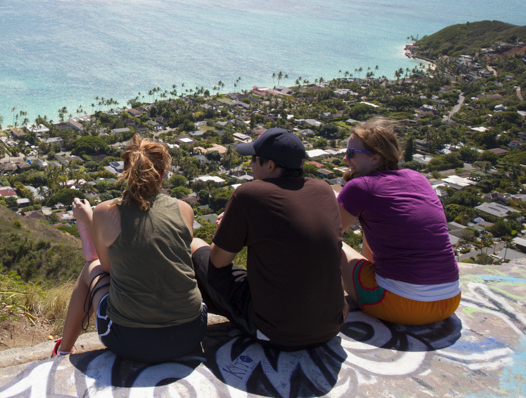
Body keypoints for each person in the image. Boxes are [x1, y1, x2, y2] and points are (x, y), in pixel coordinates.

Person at [54, 135, 206, 362]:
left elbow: (106, 266)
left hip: (129, 339)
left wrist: (89, 221)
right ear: (163, 174)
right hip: (190, 333)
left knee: (91, 268)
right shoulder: (183, 209)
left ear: (126, 172)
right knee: (194, 245)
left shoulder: (107, 212)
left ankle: (63, 349)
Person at [191, 128, 347, 348]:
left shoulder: (249, 194)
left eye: (254, 160)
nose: (251, 165)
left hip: (276, 332)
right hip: (331, 325)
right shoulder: (323, 190)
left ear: (270, 165)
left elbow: (218, 262)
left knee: (196, 245)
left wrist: (229, 229)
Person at [337, 117, 460, 325]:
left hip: (402, 305)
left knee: (332, 244)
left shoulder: (361, 187)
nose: (345, 160)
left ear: (375, 158)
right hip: (449, 301)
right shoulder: (417, 178)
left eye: (351, 154)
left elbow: (325, 232)